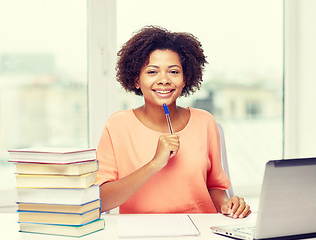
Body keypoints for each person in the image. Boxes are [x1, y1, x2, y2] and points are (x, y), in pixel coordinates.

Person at [96, 26, 251, 218]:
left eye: (174, 72)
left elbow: (214, 187)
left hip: (202, 231)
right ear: (136, 80)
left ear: (185, 79)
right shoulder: (118, 125)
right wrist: (154, 164)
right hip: (141, 232)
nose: (164, 80)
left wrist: (228, 206)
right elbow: (101, 201)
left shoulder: (205, 122)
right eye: (152, 72)